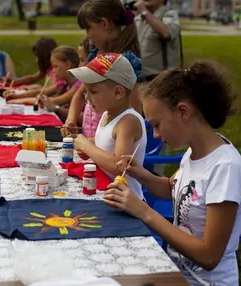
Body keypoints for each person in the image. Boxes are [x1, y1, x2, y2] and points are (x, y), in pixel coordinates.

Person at [104, 61, 241, 286]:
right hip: (177, 272)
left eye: (156, 125)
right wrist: (140, 173)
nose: (155, 135)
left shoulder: (225, 167)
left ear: (183, 111)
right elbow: (173, 188)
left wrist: (144, 212)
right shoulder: (194, 152)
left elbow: (209, 256)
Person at [69, 53, 146, 200]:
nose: (86, 97)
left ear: (117, 92)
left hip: (125, 201)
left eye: (93, 91)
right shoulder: (107, 114)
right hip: (105, 192)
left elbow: (118, 166)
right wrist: (91, 143)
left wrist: (86, 146)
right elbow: (108, 144)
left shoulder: (128, 121)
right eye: (86, 91)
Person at [61, 0, 142, 138]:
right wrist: (70, 120)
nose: (87, 35)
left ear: (104, 24)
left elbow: (134, 114)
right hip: (93, 142)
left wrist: (93, 143)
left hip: (114, 145)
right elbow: (80, 94)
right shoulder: (96, 56)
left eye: (88, 28)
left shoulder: (125, 64)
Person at [8, 46, 81, 122]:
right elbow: (42, 91)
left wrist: (19, 100)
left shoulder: (78, 86)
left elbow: (53, 101)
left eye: (56, 66)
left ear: (68, 64)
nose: (53, 71)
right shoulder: (63, 82)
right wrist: (17, 96)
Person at [133, 0, 180, 82]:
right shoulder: (138, 18)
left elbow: (166, 33)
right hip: (139, 80)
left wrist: (144, 11)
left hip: (161, 81)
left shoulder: (169, 14)